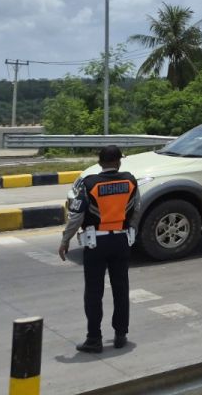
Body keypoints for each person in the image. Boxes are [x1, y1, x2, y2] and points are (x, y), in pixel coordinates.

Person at [59, 145, 141, 353]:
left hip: (96, 244)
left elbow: (76, 216)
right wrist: (129, 230)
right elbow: (136, 209)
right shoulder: (130, 181)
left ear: (99, 162)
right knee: (121, 289)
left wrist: (65, 239)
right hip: (121, 241)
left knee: (94, 292)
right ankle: (120, 335)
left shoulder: (89, 184)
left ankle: (94, 339)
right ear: (119, 162)